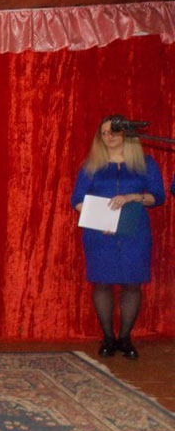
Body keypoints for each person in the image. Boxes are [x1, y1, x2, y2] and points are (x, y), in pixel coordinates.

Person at [71, 115, 165, 359]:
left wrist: (134, 197)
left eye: (113, 131)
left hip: (135, 231)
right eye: (104, 133)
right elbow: (77, 200)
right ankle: (108, 338)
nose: (108, 136)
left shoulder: (145, 163)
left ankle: (125, 338)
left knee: (132, 284)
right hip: (99, 233)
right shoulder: (91, 165)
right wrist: (99, 219)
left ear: (126, 133)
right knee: (102, 283)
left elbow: (158, 196)